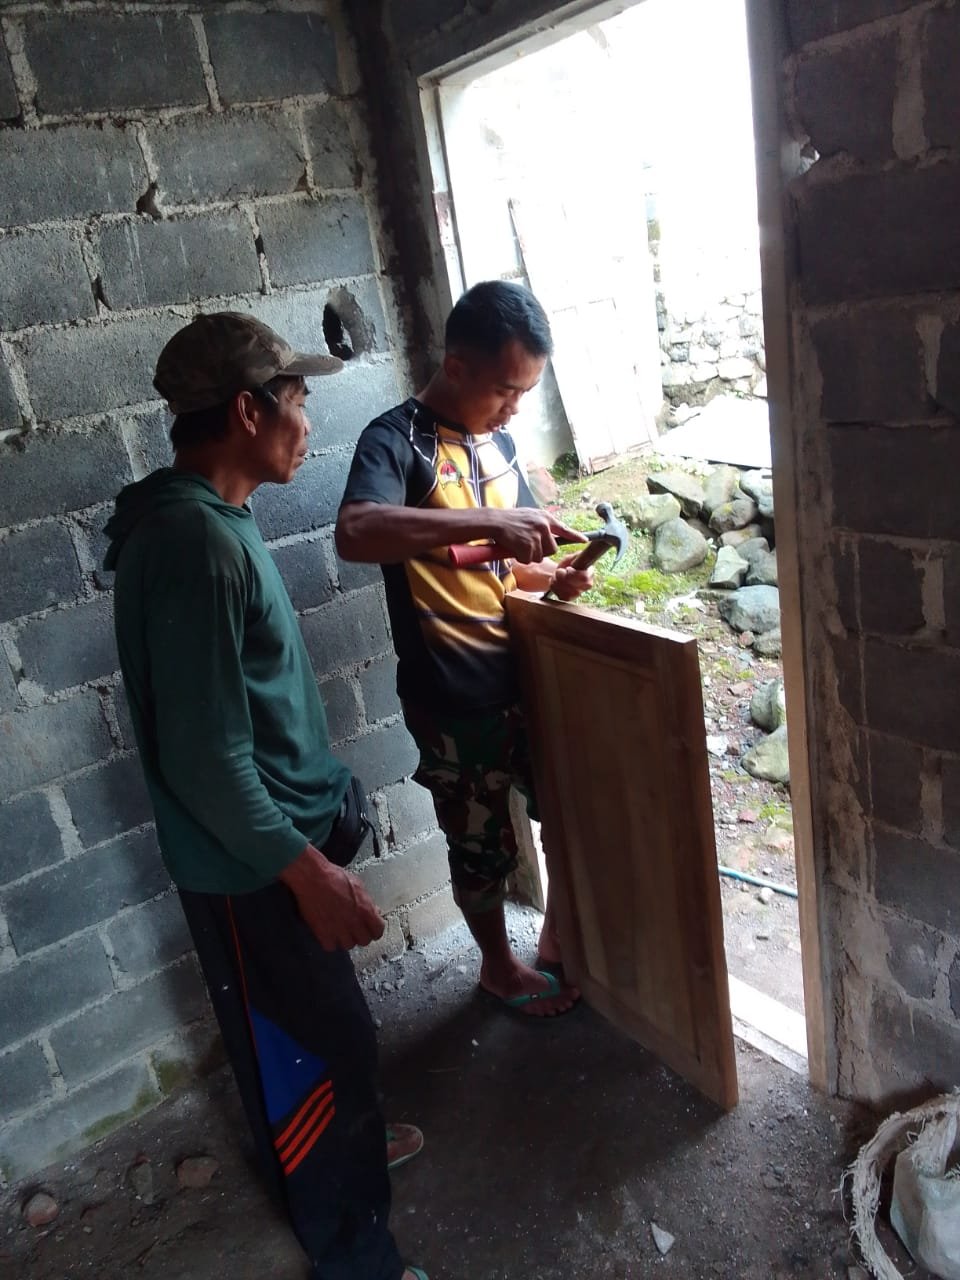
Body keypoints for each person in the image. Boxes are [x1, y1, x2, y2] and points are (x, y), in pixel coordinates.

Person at [104, 312, 428, 1280]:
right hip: (253, 868)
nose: (307, 421)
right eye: (296, 400)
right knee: (318, 1052)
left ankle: (338, 1153)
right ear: (247, 412)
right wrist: (309, 873)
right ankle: (356, 1250)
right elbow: (205, 762)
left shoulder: (207, 519)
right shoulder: (193, 543)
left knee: (316, 1044)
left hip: (269, 850)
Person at [336, 281, 593, 1018]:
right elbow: (356, 532)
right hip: (453, 699)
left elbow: (505, 564)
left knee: (568, 813)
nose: (515, 409)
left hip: (526, 682)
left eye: (526, 393)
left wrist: (551, 578)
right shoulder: (396, 441)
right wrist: (488, 521)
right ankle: (498, 970)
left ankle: (554, 941)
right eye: (506, 390)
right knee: (480, 847)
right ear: (456, 367)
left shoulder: (499, 442)